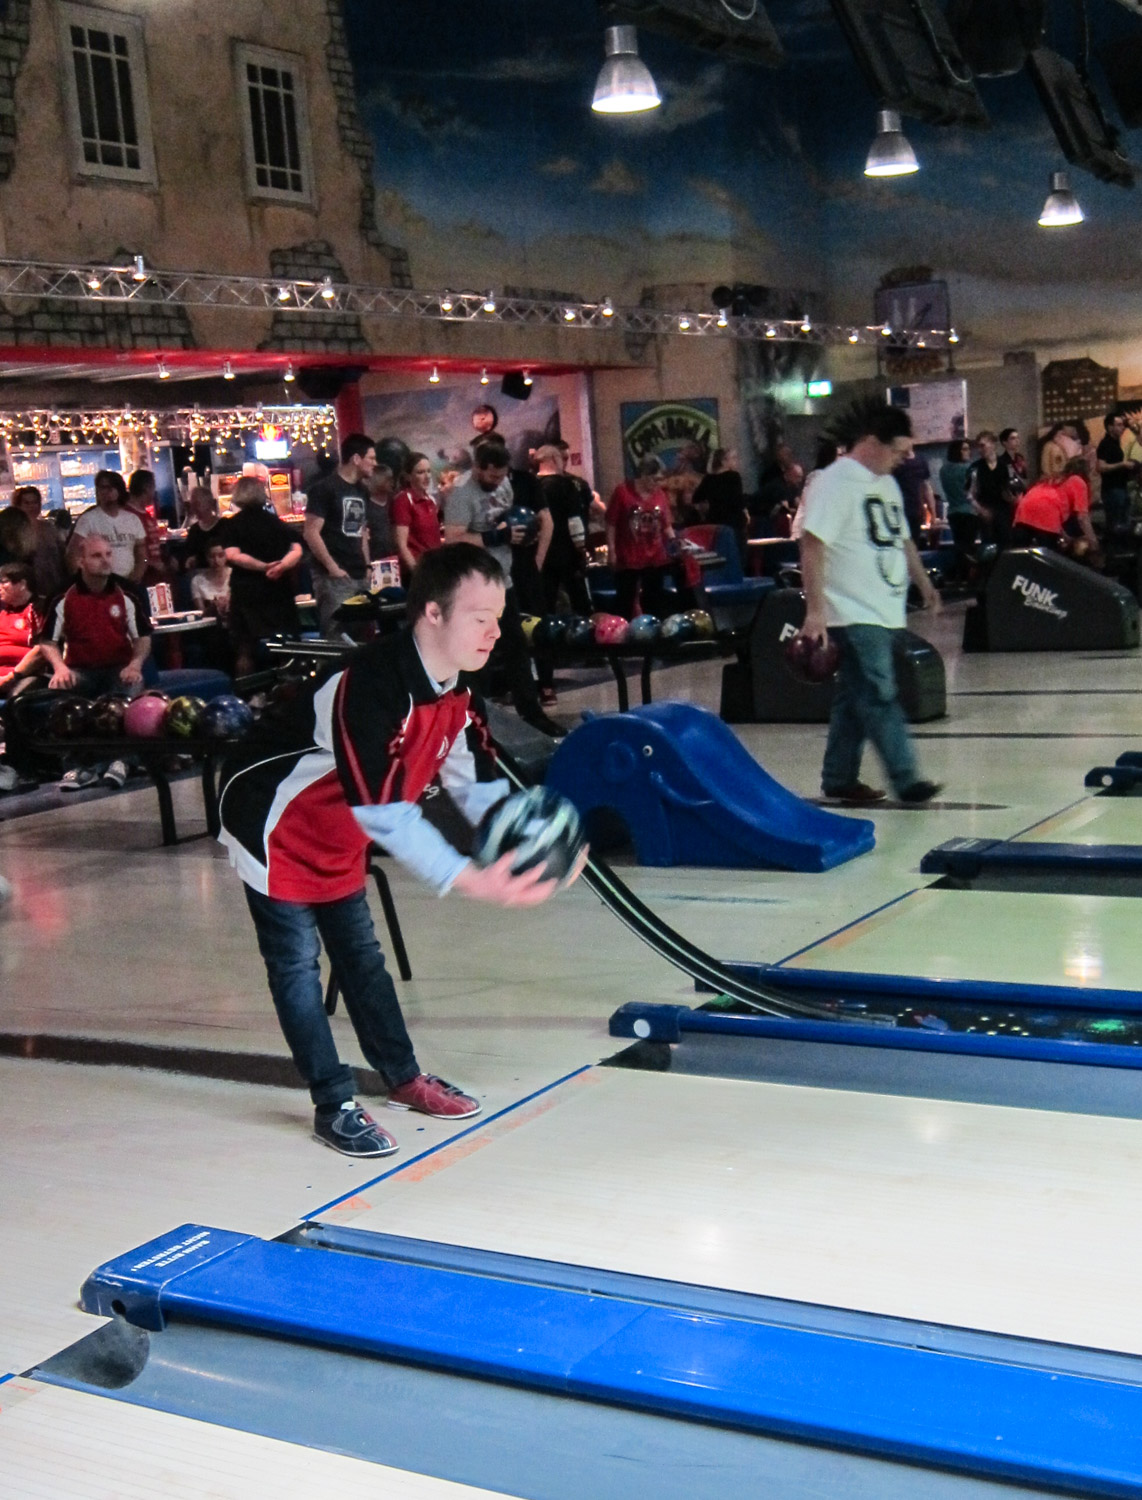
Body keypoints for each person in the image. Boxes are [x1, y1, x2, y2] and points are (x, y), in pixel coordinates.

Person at [217, 543, 584, 1158]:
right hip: (273, 823)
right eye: (480, 618)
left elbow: (473, 783)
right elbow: (384, 810)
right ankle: (333, 1102)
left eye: (498, 618)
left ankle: (404, 1078)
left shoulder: (457, 690)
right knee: (297, 967)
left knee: (361, 956)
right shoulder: (370, 685)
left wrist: (534, 841)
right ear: (433, 614)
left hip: (338, 831)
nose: (495, 633)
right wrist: (470, 877)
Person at [798, 397, 942, 807]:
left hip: (884, 608)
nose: (904, 459)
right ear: (872, 443)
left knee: (853, 698)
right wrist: (815, 611)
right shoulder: (835, 482)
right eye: (898, 450)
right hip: (853, 610)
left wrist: (924, 584)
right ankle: (907, 778)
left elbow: (903, 539)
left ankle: (839, 777)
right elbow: (812, 545)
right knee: (879, 692)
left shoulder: (886, 483)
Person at [443, 441, 561, 729]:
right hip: (474, 585)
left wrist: (523, 533)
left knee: (516, 646)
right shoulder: (462, 493)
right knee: (478, 651)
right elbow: (453, 538)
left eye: (501, 476)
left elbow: (507, 521)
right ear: (477, 468)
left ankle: (532, 714)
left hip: (502, 580)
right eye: (491, 476)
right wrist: (493, 537)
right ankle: (475, 720)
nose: (497, 482)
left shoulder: (505, 483)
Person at [39, 533, 153, 789]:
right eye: (97, 556)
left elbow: (143, 638)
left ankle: (122, 762)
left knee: (128, 696)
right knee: (64, 700)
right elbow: (47, 641)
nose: (105, 560)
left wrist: (135, 664)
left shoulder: (127, 592)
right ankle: (76, 767)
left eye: (108, 554)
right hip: (79, 670)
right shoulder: (62, 595)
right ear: (81, 561)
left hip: (119, 669)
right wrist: (59, 668)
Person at [223, 476, 302, 676]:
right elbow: (297, 550)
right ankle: (288, 686)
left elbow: (233, 555)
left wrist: (262, 566)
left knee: (244, 648)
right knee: (286, 645)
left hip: (246, 591)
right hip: (279, 590)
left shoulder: (232, 525)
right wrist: (281, 566)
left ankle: (249, 689)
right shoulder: (278, 523)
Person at [304, 433, 374, 635]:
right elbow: (311, 532)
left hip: (359, 572)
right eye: (371, 458)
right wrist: (332, 567)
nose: (374, 463)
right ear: (356, 459)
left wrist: (367, 565)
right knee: (336, 635)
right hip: (333, 577)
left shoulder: (362, 490)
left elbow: (362, 531)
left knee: (363, 634)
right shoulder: (324, 489)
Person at [606, 456, 677, 620]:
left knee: (654, 600)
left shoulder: (660, 494)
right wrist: (611, 550)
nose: (657, 484)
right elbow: (611, 523)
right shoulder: (622, 492)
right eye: (655, 479)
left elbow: (666, 524)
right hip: (629, 554)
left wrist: (675, 542)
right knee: (625, 600)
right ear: (644, 474)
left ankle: (652, 630)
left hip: (655, 556)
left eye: (660, 480)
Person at [533, 444, 592, 619]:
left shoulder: (532, 485)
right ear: (553, 459)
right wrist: (581, 547)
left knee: (546, 598)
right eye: (561, 458)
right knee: (578, 597)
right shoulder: (567, 485)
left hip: (540, 550)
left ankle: (545, 629)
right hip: (567, 551)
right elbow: (574, 521)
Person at [67, 470, 146, 582]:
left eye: (111, 487)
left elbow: (142, 554)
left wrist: (137, 576)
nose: (107, 492)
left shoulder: (133, 520)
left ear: (119, 490)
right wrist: (84, 581)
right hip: (99, 583)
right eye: (102, 488)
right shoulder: (88, 519)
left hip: (129, 581)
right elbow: (72, 553)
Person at [1012, 466, 1099, 555]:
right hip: (1046, 513)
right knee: (1048, 555)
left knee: (1020, 553)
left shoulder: (1054, 478)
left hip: (1024, 510)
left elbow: (1051, 501)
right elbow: (1082, 518)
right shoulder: (1078, 481)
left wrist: (1065, 536)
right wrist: (1094, 542)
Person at [9, 487, 68, 603]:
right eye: (27, 503)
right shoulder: (13, 533)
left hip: (54, 587)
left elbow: (63, 555)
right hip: (28, 591)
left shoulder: (49, 528)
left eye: (35, 502)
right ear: (18, 506)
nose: (32, 507)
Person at [390, 452, 441, 581]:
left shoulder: (431, 500)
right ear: (408, 476)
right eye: (420, 472)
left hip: (434, 567)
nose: (427, 476)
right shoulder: (404, 500)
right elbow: (401, 544)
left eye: (428, 471)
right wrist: (417, 572)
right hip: (415, 571)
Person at [0, 562, 43, 696]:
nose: (0, 587)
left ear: (22, 584)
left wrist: (11, 677)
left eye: (3, 582)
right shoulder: (3, 614)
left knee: (16, 697)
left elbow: (41, 651)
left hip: (24, 676)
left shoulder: (39, 610)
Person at [692, 449, 748, 549]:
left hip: (714, 521)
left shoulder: (708, 479)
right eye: (733, 458)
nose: (736, 461)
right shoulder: (734, 476)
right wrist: (746, 513)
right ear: (723, 461)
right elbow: (738, 499)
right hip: (733, 521)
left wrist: (704, 511)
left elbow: (696, 498)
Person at [939, 438, 979, 577]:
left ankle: (959, 574)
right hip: (969, 511)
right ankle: (968, 575)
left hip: (953, 512)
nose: (969, 452)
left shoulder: (944, 470)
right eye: (965, 449)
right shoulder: (969, 469)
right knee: (969, 546)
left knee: (959, 545)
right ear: (958, 451)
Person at [968, 431, 1014, 550]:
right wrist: (981, 510)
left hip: (1004, 511)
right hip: (986, 510)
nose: (980, 450)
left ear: (993, 444)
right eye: (978, 446)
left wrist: (1012, 497)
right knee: (988, 547)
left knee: (1006, 546)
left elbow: (1012, 488)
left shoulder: (1005, 466)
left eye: (982, 446)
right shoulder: (975, 468)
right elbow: (970, 494)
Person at [1096, 411, 1136, 537]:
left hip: (1120, 487)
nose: (1122, 427)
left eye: (1122, 424)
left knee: (1124, 523)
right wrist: (1122, 464)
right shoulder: (1105, 444)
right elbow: (1100, 467)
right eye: (1118, 425)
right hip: (1112, 490)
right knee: (1116, 525)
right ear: (1110, 427)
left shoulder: (1116, 442)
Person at [126, 469, 166, 580]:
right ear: (147, 488)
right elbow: (131, 549)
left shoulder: (146, 514)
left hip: (155, 574)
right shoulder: (128, 516)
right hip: (142, 575)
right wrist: (148, 562)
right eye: (153, 487)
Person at [893, 442, 935, 545]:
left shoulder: (920, 460)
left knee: (914, 541)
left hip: (917, 511)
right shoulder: (896, 462)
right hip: (900, 510)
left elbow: (926, 487)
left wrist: (933, 512)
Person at [181, 487, 225, 571]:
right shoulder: (194, 530)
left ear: (209, 504)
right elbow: (187, 555)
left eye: (197, 504)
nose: (193, 509)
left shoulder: (224, 525)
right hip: (200, 575)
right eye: (192, 505)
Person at [190, 540, 231, 619]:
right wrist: (213, 608)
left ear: (226, 556)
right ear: (206, 558)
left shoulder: (234, 575)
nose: (216, 560)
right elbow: (201, 613)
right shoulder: (197, 581)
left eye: (221, 555)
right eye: (212, 556)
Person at [366, 463, 396, 562]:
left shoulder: (394, 500)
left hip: (393, 554)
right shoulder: (366, 504)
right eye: (388, 479)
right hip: (374, 555)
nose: (392, 482)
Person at [997, 428, 1027, 498]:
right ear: (1004, 442)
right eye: (1013, 438)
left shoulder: (1020, 458)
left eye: (1017, 438)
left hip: (1022, 492)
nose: (1017, 441)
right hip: (1010, 496)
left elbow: (1024, 476)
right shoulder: (1001, 461)